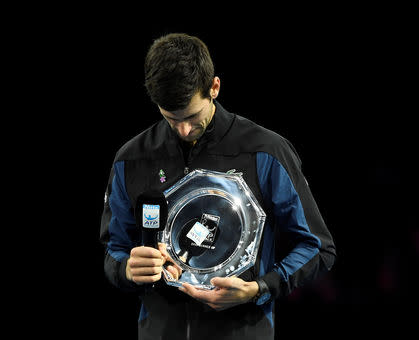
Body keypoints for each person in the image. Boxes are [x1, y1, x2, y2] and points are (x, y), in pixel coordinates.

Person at [100, 33, 336, 340]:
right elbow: (114, 249)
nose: (183, 129)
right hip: (158, 331)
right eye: (171, 119)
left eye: (192, 116)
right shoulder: (131, 159)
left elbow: (317, 247)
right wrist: (127, 270)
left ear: (214, 87)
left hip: (242, 330)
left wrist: (258, 289)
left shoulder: (265, 151)